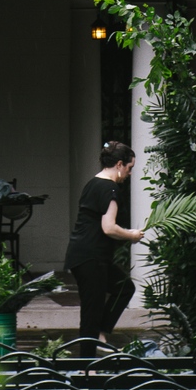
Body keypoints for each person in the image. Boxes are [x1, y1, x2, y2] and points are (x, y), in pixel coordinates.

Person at [64, 141, 145, 355]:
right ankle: (86, 370)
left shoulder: (92, 183)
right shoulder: (110, 187)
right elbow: (109, 228)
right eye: (130, 168)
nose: (130, 173)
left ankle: (101, 330)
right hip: (91, 258)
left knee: (124, 288)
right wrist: (132, 235)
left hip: (88, 256)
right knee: (91, 312)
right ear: (119, 164)